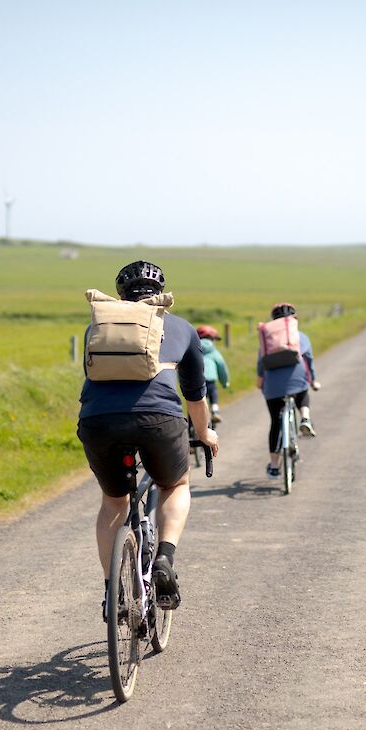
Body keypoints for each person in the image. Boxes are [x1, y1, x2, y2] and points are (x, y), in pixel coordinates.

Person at [77, 261, 220, 610]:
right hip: (160, 420)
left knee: (114, 501)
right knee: (175, 485)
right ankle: (164, 559)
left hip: (98, 421)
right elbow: (195, 395)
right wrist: (205, 434)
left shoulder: (97, 328)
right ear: (160, 293)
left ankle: (113, 592)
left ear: (122, 296)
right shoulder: (182, 328)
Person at [257, 302, 321, 478]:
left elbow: (260, 365)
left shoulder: (268, 339)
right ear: (293, 319)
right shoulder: (301, 337)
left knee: (275, 422)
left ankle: (274, 466)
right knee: (302, 391)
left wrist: (260, 382)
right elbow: (308, 360)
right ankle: (305, 419)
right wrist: (313, 380)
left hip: (272, 386)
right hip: (297, 379)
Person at [196, 324, 230, 427]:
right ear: (212, 339)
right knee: (213, 394)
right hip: (210, 381)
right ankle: (215, 411)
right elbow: (221, 367)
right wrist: (225, 383)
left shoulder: (192, 350)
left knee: (194, 400)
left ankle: (191, 426)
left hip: (195, 380)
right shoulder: (214, 352)